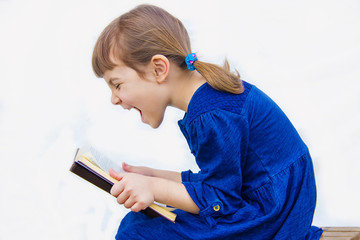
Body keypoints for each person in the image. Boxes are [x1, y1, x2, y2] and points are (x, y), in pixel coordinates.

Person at [91, 4, 323, 240]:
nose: (114, 99)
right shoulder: (209, 100)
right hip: (275, 202)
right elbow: (222, 178)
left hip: (272, 216)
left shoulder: (210, 115)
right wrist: (154, 177)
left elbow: (221, 199)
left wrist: (153, 189)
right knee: (141, 221)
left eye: (117, 84)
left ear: (158, 69)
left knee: (137, 232)